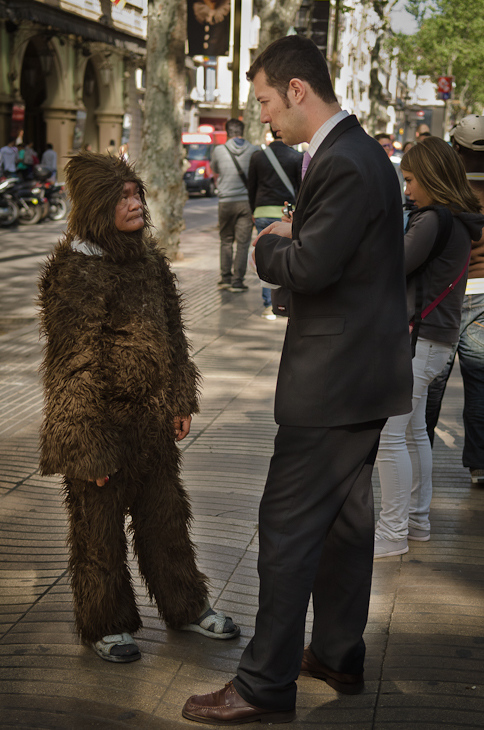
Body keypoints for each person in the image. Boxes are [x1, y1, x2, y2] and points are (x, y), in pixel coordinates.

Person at [182, 35, 413, 725]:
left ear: (299, 90)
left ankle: (261, 685)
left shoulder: (345, 161)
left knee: (284, 529)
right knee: (345, 524)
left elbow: (310, 267)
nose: (265, 119)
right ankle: (337, 654)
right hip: (359, 377)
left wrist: (269, 244)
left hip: (334, 383)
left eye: (265, 102)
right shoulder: (354, 156)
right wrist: (297, 235)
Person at [38, 152, 240, 664]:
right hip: (100, 431)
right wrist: (87, 449)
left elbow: (173, 336)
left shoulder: (148, 260)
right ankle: (106, 624)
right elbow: (72, 366)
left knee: (167, 520)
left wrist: (179, 398)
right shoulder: (74, 271)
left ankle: (188, 607)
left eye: (136, 195)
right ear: (97, 205)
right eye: (122, 197)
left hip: (150, 427)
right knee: (98, 535)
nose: (134, 205)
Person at [375, 137, 484, 558]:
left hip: (418, 339)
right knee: (416, 431)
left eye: (410, 179)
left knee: (390, 437)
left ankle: (393, 531)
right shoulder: (457, 219)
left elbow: (391, 265)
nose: (407, 189)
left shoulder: (434, 220)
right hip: (435, 337)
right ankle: (416, 522)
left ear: (433, 178)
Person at [426, 115, 484, 485]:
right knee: (480, 382)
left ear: (457, 149)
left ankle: (419, 450)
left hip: (447, 295)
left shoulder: (447, 189)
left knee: (431, 380)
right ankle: (480, 464)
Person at [248, 128, 302, 318]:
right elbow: (300, 188)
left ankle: (268, 305)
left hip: (262, 210)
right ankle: (283, 303)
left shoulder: (258, 157)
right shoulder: (297, 157)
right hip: (287, 213)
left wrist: (253, 210)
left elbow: (251, 187)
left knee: (264, 255)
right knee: (286, 256)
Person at [210, 118, 258, 292]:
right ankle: (238, 281)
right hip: (246, 202)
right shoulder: (254, 150)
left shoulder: (219, 150)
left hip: (225, 202)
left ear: (227, 132)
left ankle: (225, 279)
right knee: (243, 243)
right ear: (242, 132)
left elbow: (215, 169)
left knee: (226, 240)